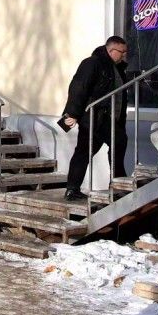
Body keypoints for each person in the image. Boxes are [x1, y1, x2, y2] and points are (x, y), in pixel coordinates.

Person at [59, 36, 132, 201]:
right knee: (116, 141)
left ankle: (74, 189)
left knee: (86, 151)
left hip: (108, 118)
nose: (124, 55)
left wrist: (120, 120)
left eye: (125, 52)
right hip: (94, 117)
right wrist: (71, 114)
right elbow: (78, 88)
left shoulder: (117, 68)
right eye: (122, 52)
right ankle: (117, 183)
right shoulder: (93, 63)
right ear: (111, 50)